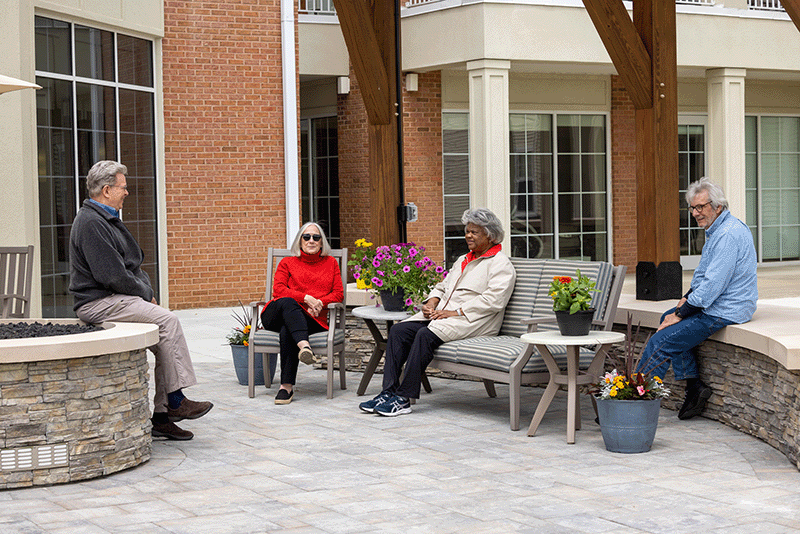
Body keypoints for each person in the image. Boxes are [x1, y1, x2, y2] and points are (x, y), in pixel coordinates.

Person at [69, 160, 213, 441]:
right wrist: (145, 294)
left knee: (164, 338)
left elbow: (131, 267)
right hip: (99, 302)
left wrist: (144, 291)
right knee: (168, 321)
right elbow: (112, 275)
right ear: (107, 189)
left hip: (116, 296)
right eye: (123, 188)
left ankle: (161, 417)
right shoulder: (90, 223)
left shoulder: (105, 219)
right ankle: (174, 402)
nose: (127, 192)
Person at [359, 208, 517, 417]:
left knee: (424, 336)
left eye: (474, 232)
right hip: (444, 317)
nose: (468, 235)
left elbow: (494, 301)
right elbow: (442, 287)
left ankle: (403, 399)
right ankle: (388, 392)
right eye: (467, 231)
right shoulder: (463, 260)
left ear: (490, 235)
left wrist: (455, 312)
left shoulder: (500, 264)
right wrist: (431, 303)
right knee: (399, 331)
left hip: (473, 321)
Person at [637, 177, 758, 420]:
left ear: (718, 206)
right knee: (667, 318)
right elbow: (702, 279)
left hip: (725, 309)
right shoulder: (719, 230)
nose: (695, 213)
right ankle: (694, 387)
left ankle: (635, 404)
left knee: (660, 342)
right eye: (692, 208)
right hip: (716, 303)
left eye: (700, 207)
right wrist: (681, 305)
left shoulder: (728, 235)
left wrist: (680, 314)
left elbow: (712, 286)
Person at [260, 222, 344, 405]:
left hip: (311, 319)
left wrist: (321, 302)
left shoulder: (330, 263)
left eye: (316, 237)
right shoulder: (287, 262)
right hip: (274, 315)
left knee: (288, 329)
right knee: (288, 303)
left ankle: (286, 388)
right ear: (300, 241)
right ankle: (304, 345)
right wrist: (306, 298)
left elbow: (338, 293)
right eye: (306, 237)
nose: (311, 240)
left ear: (322, 243)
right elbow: (279, 291)